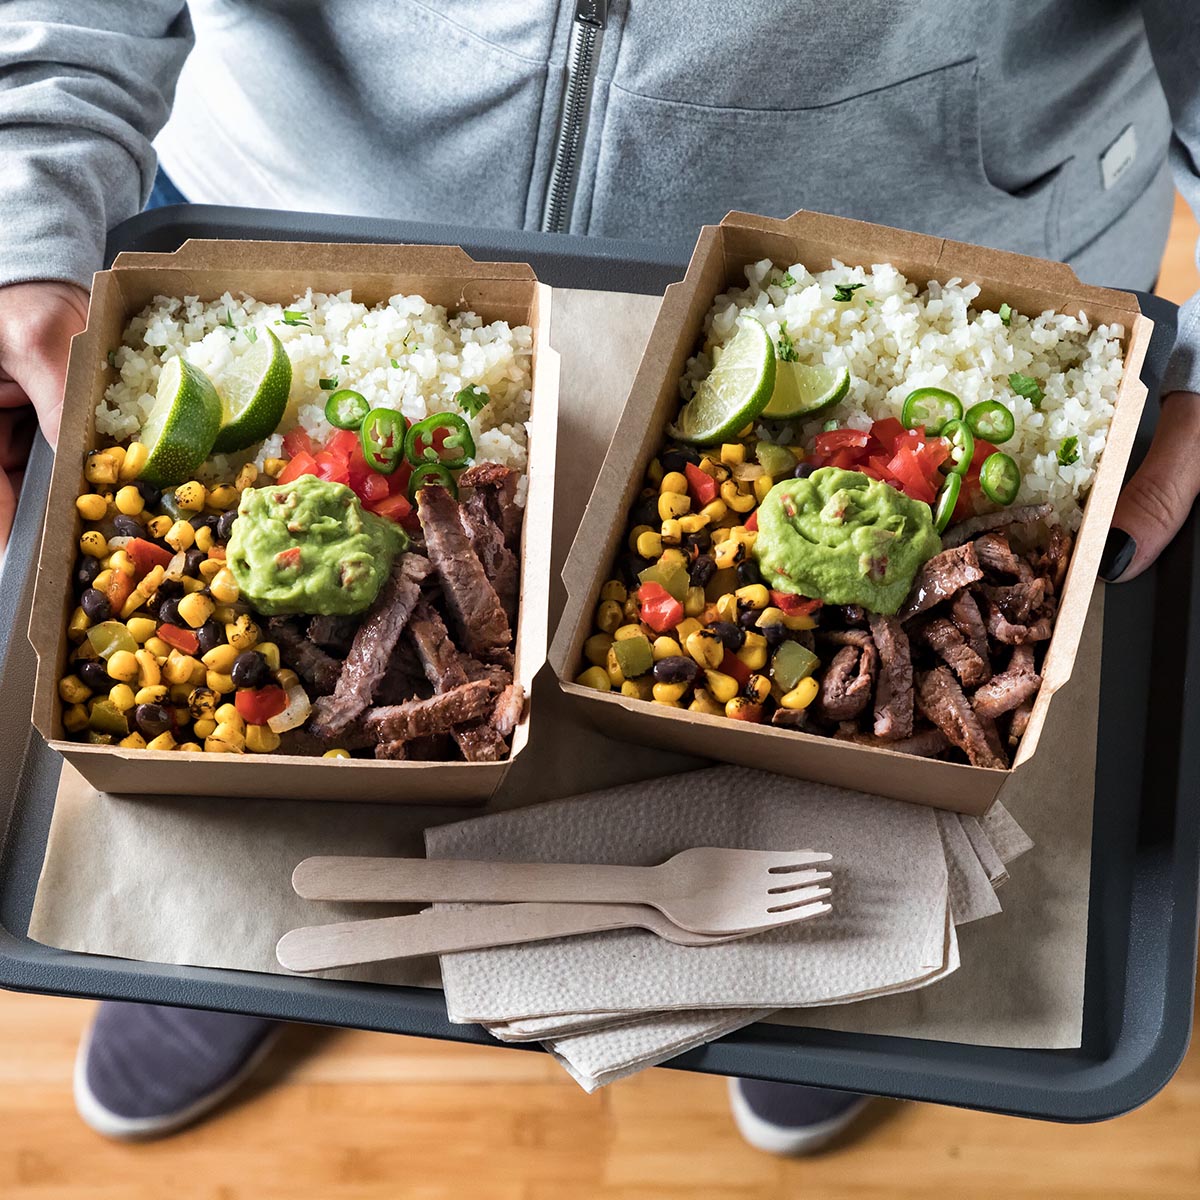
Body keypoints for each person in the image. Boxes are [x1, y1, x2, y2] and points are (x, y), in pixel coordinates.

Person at [1, 1, 1197, 1152]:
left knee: (856, 950)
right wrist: (22, 212)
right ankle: (240, 942)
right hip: (278, 211)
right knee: (213, 867)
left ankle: (824, 988)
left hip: (969, 232)